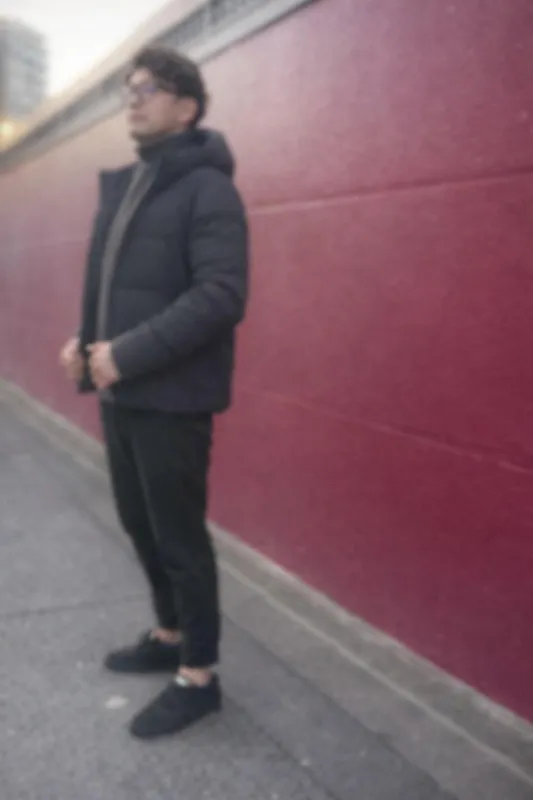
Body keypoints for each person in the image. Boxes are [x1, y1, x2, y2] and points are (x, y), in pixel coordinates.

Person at [59, 46, 248, 740]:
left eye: (147, 89)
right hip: (125, 394)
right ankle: (169, 636)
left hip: (174, 397)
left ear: (186, 107)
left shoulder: (208, 190)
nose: (132, 100)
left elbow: (221, 295)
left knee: (178, 536)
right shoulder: (133, 184)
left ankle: (199, 677)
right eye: (128, 89)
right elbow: (119, 288)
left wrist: (126, 354)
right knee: (140, 524)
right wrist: (84, 342)